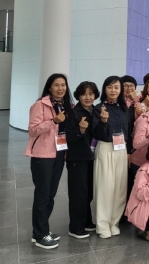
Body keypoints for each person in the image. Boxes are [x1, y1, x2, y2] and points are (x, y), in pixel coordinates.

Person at [25, 73, 74, 249]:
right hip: (42, 155)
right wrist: (53, 121)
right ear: (49, 87)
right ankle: (40, 235)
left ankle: (40, 230)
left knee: (50, 194)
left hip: (59, 153)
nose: (60, 88)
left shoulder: (67, 106)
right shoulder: (40, 105)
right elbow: (32, 130)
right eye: (56, 85)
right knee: (42, 195)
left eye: (63, 85)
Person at [91, 76, 130, 239]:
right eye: (110, 87)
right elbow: (96, 133)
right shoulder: (98, 108)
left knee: (120, 188)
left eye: (116, 87)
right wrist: (103, 121)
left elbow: (128, 130)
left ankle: (114, 222)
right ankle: (102, 224)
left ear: (120, 90)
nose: (113, 90)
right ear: (105, 89)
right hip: (105, 148)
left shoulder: (124, 108)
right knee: (105, 187)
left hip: (121, 148)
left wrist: (128, 150)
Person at [65, 81, 99, 239]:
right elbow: (67, 138)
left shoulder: (96, 111)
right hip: (77, 158)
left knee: (88, 191)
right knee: (78, 193)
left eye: (91, 94)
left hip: (92, 157)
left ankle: (86, 221)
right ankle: (75, 227)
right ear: (78, 95)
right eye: (84, 94)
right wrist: (80, 130)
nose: (88, 97)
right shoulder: (73, 113)